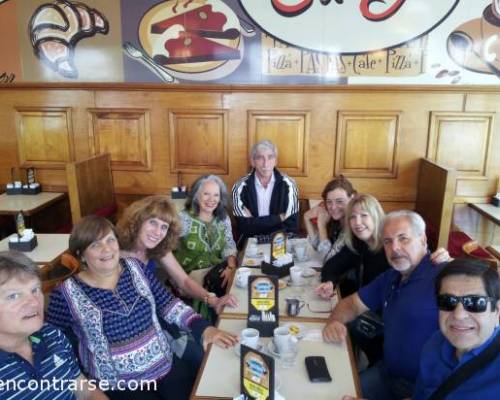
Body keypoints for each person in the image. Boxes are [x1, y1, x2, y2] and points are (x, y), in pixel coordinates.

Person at [46, 216, 238, 400]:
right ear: (81, 255)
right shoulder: (66, 294)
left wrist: (205, 329)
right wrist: (81, 384)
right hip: (119, 385)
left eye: (110, 240)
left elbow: (168, 304)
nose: (106, 249)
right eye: (95, 245)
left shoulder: (135, 267)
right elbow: (50, 340)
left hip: (165, 364)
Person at [323, 210, 446, 400]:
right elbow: (351, 305)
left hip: (425, 391)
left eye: (403, 238)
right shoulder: (391, 277)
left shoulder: (444, 277)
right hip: (387, 374)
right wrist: (335, 321)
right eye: (387, 241)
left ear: (423, 240)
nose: (395, 248)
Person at [0, 250, 107, 400]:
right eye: (14, 296)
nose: (34, 302)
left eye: (35, 290)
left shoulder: (52, 334)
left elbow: (84, 390)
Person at [117, 195, 238, 318]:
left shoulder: (157, 247)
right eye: (153, 222)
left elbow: (184, 281)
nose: (158, 232)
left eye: (164, 227)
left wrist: (214, 300)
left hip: (149, 308)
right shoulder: (117, 254)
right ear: (138, 221)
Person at [413, 258, 500, 400]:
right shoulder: (434, 343)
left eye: (475, 302)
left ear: (497, 311)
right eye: (448, 301)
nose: (459, 315)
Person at [173, 175, 238, 317]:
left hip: (216, 270)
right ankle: (206, 324)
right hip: (190, 274)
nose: (211, 199)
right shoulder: (183, 219)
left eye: (216, 195)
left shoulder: (223, 218)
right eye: (206, 194)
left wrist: (231, 267)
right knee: (223, 286)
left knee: (235, 281)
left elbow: (229, 244)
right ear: (196, 195)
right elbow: (166, 248)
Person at [232, 139, 299, 246]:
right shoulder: (239, 187)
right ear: (253, 162)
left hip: (280, 243)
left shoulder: (290, 185)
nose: (266, 163)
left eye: (270, 157)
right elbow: (244, 227)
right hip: (250, 243)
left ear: (275, 161)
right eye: (260, 158)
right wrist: (278, 218)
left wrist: (254, 222)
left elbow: (291, 226)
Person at [303, 175, 356, 262]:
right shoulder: (335, 220)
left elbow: (329, 261)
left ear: (352, 198)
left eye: (339, 201)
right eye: (329, 202)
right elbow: (318, 246)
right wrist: (306, 217)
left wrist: (322, 227)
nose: (333, 207)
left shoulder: (353, 224)